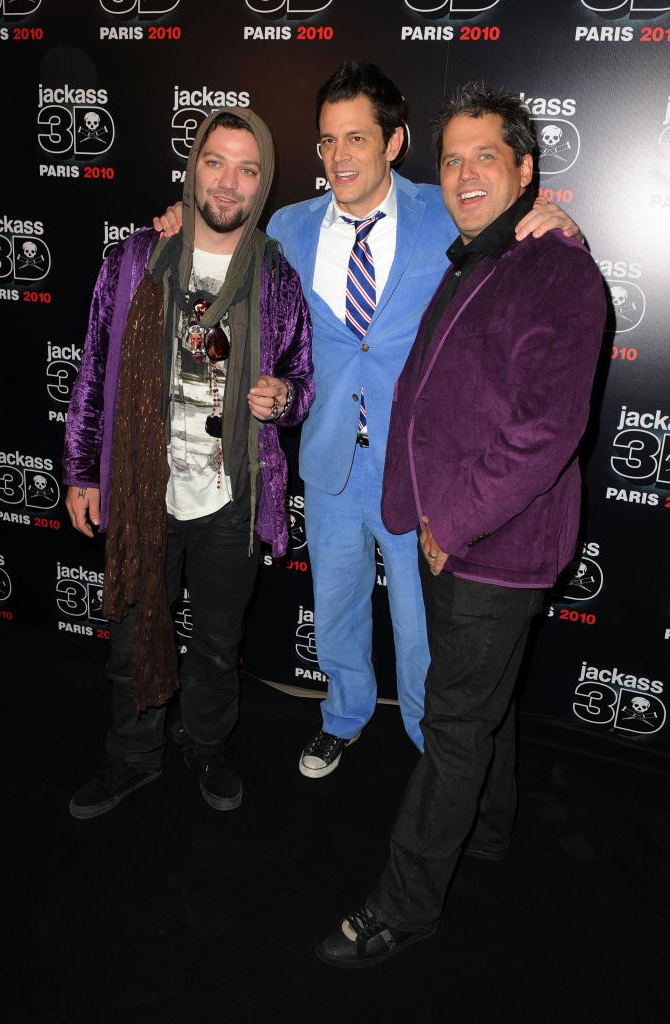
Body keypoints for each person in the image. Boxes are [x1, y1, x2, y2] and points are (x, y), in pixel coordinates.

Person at [155, 62, 581, 779]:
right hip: (327, 459)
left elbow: (511, 228)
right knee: (338, 604)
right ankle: (343, 716)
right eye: (327, 141)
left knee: (420, 624)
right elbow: (213, 237)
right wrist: (176, 217)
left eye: (357, 137)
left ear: (393, 142)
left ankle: (425, 737)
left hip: (417, 466)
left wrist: (559, 218)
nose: (340, 156)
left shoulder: (444, 208)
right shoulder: (285, 228)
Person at [315, 82, 606, 968]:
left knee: (451, 725)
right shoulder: (473, 254)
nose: (465, 172)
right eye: (451, 158)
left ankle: (403, 907)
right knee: (479, 711)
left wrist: (451, 523)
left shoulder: (556, 267)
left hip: (493, 547)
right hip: (449, 534)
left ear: (526, 168)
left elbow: (543, 433)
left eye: (487, 155)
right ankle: (486, 832)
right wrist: (418, 514)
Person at [63, 108, 313, 820]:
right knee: (133, 633)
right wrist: (83, 471)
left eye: (247, 168)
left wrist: (286, 395)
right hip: (143, 486)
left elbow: (302, 376)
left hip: (230, 495)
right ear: (192, 167)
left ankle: (205, 744)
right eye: (215, 162)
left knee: (215, 642)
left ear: (261, 183)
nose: (228, 182)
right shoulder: (136, 257)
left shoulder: (276, 276)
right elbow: (92, 371)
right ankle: (133, 757)